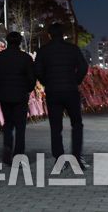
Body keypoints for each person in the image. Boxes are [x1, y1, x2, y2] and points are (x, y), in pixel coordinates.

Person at [34, 23, 89, 167]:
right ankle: (77, 157)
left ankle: (60, 158)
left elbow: (38, 70)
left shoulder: (43, 50)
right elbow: (83, 66)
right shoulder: (72, 49)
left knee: (55, 126)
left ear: (49, 35)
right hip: (71, 90)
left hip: (53, 92)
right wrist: (76, 80)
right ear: (63, 34)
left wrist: (46, 82)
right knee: (77, 124)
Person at [0, 31, 35, 165]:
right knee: (21, 127)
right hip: (21, 96)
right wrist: (27, 89)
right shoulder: (26, 58)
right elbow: (32, 78)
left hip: (4, 95)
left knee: (8, 124)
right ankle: (18, 155)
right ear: (20, 42)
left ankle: (7, 148)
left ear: (7, 42)